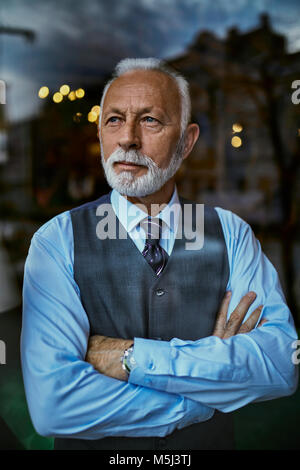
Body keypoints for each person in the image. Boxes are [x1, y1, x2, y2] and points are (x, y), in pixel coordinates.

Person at [21, 58, 298, 451]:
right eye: (114, 120)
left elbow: (281, 365)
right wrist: (200, 396)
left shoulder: (231, 234)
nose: (128, 138)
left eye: (150, 120)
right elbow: (55, 405)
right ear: (101, 133)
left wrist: (131, 357)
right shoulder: (55, 241)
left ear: (186, 142)